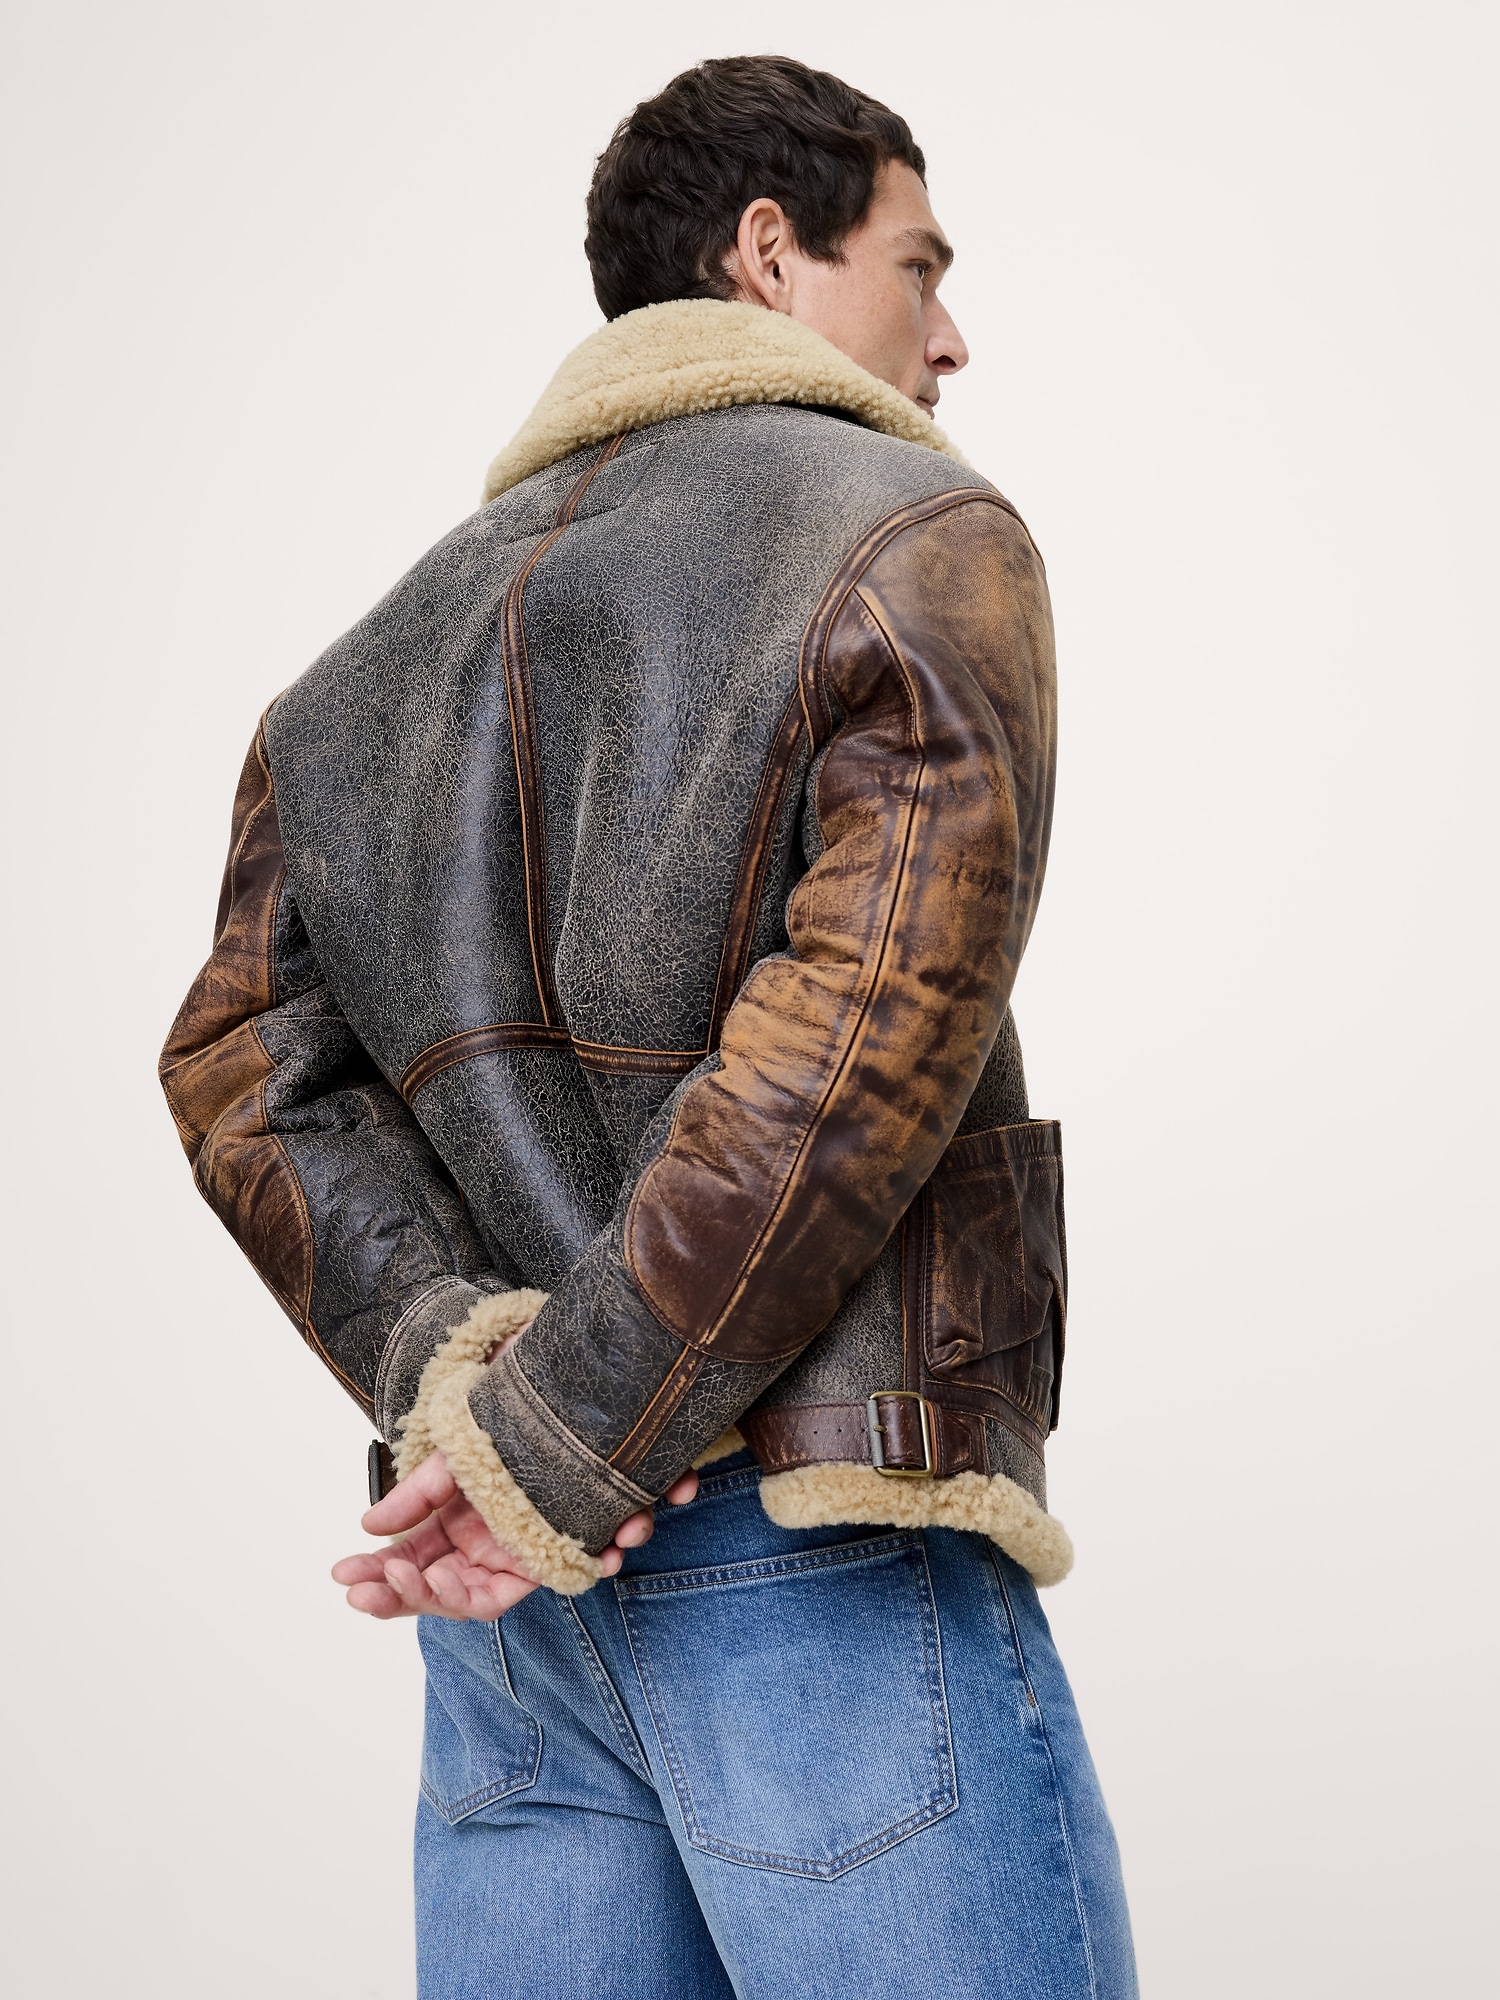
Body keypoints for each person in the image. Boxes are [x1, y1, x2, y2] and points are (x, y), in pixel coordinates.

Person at [160, 53, 1137, 2000]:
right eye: (918, 265)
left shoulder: (356, 670)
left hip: (512, 1627)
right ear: (770, 252)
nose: (949, 334)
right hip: (802, 1553)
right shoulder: (914, 539)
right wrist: (549, 1441)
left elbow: (242, 1073)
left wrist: (461, 1383)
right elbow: (847, 1061)